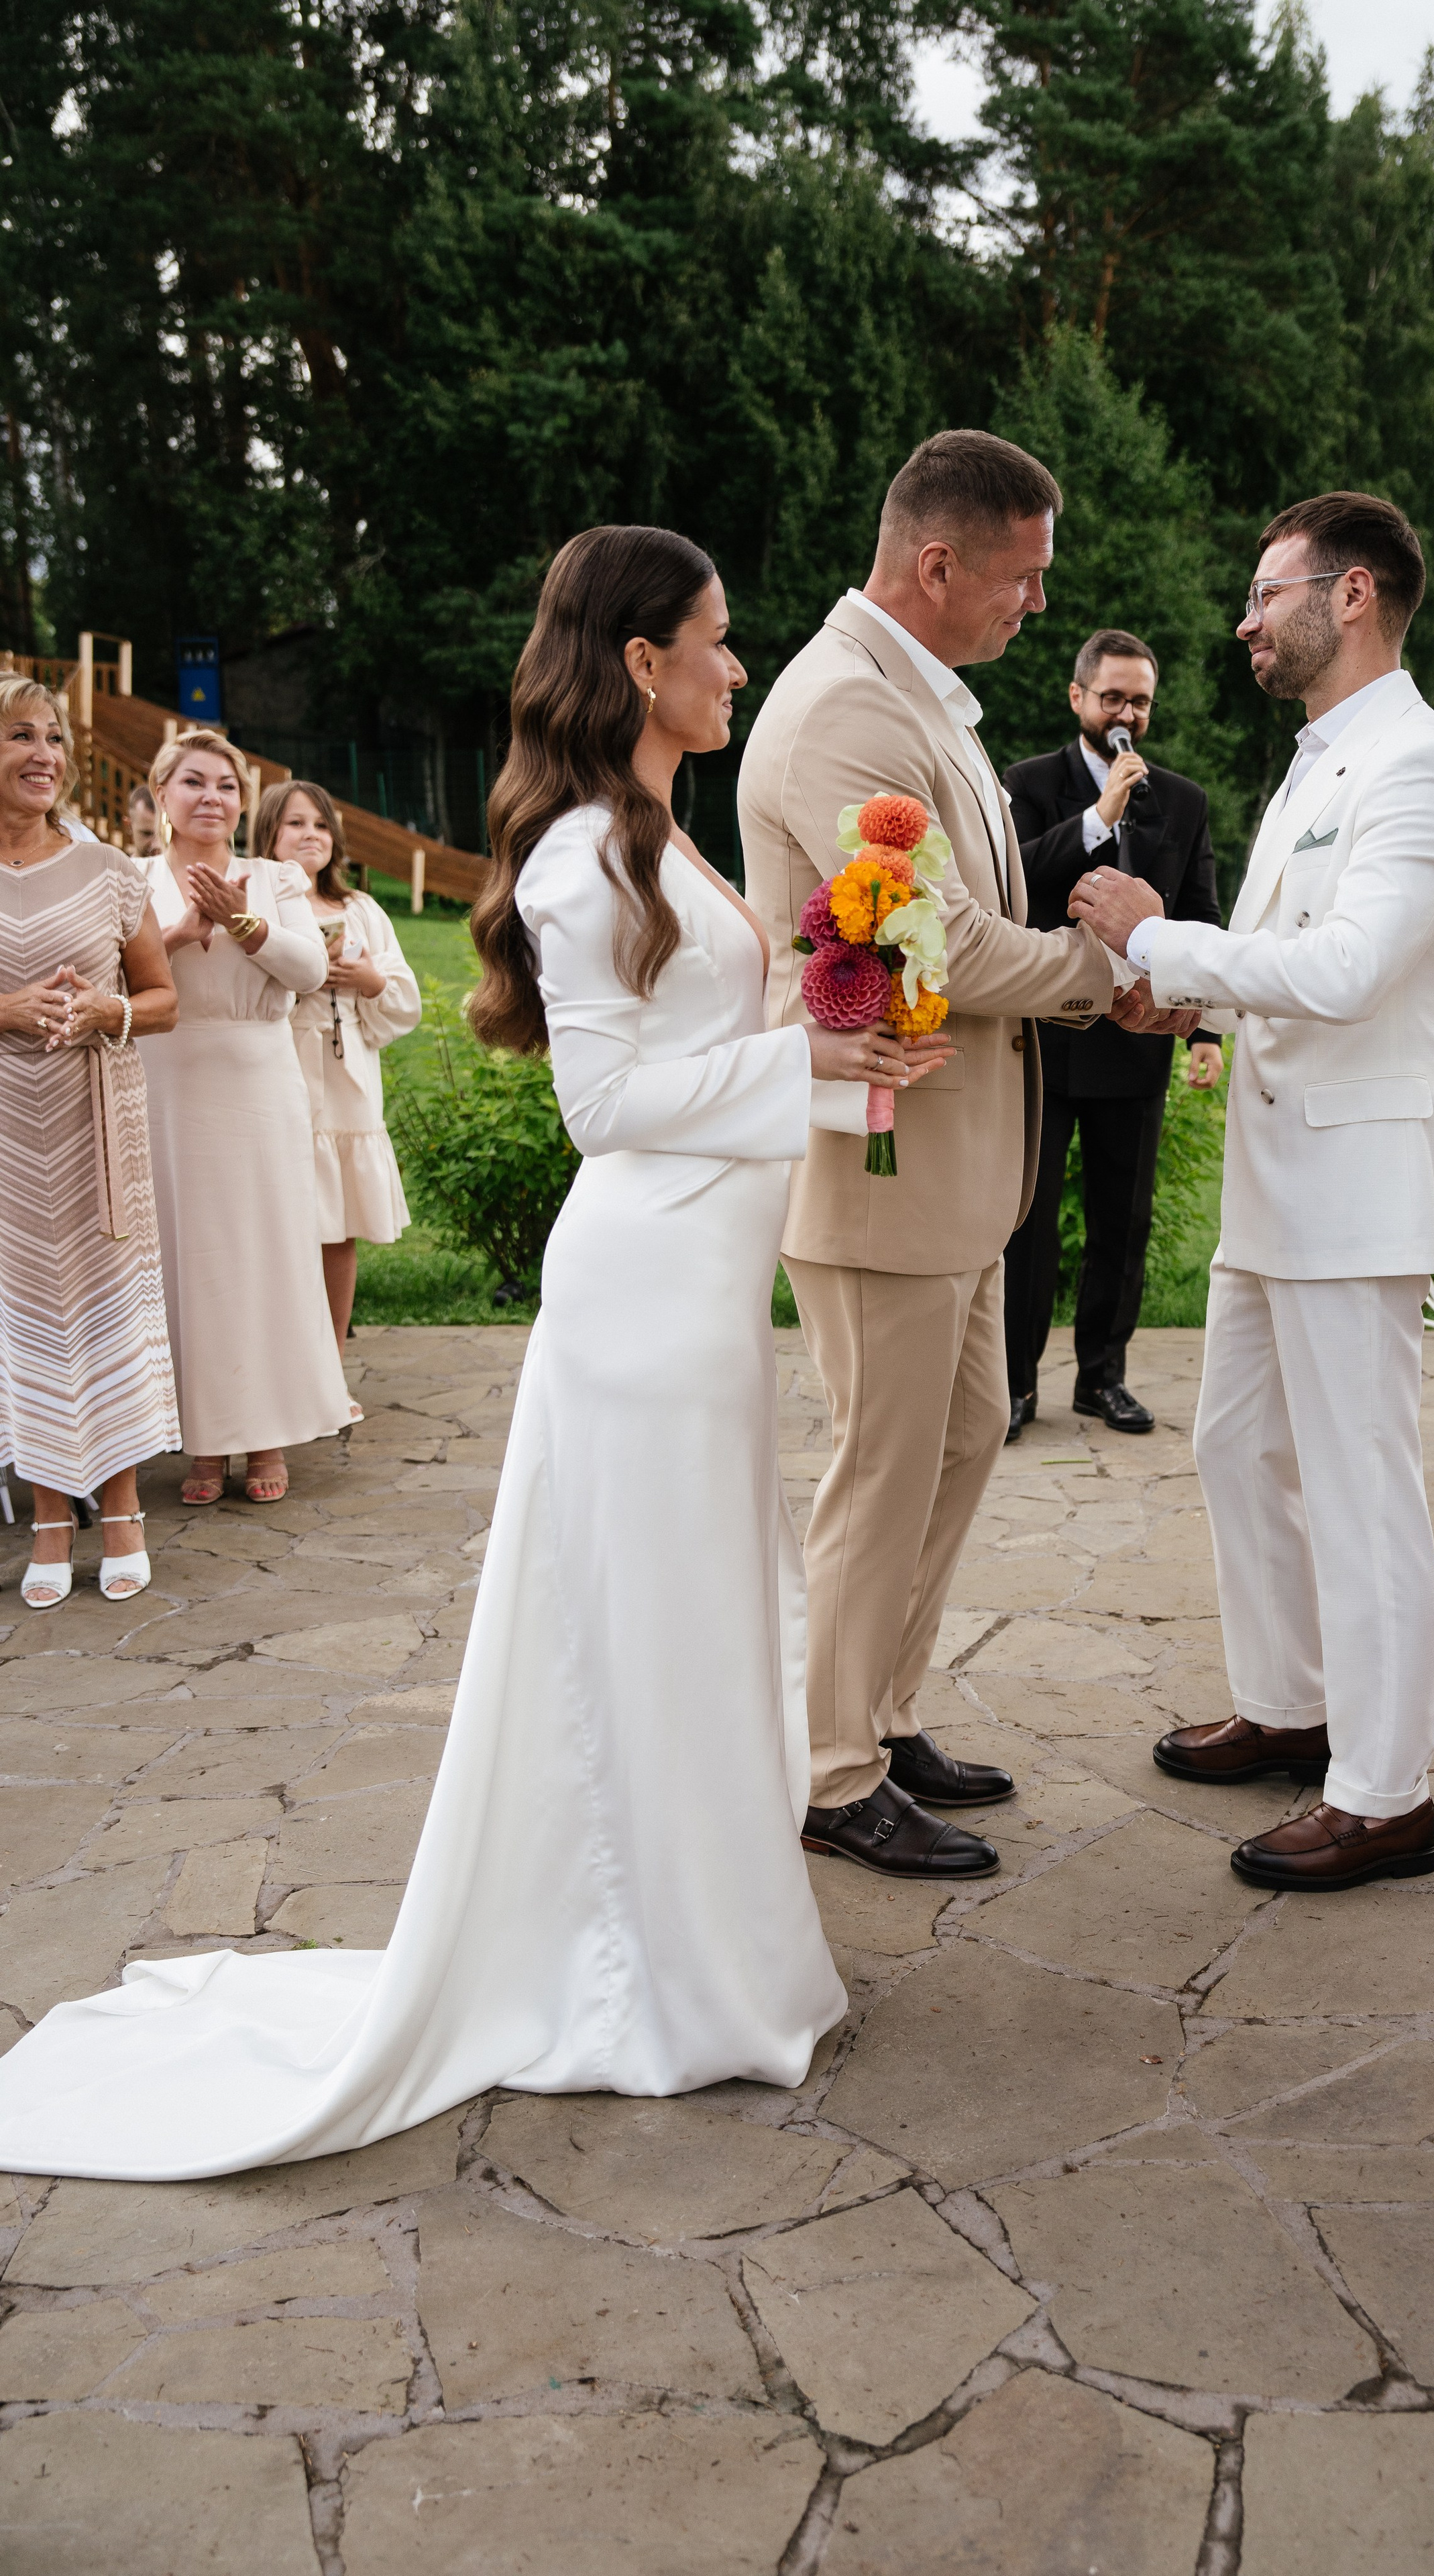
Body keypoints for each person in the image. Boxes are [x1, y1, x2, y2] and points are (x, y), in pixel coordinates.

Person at [0, 521, 938, 2180]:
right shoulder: (585, 854)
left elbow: (704, 1046)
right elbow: (607, 1108)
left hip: (699, 1295)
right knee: (651, 1628)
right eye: (715, 641)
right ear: (640, 660)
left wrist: (848, 1054)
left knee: (703, 1618)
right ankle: (658, 1976)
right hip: (640, 1301)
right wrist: (816, 1075)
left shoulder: (665, 830)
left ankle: (703, 1947)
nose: (736, 664)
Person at [741, 431, 1200, 1882]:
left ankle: (878, 1713)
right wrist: (1101, 972)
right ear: (935, 564)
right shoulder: (837, 716)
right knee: (880, 1472)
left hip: (960, 1171)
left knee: (954, 1453)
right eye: (1023, 577)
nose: (1036, 607)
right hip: (879, 1164)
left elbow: (976, 906)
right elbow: (934, 936)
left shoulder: (920, 700)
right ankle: (830, 1769)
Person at [1069, 490, 1434, 1894]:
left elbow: (1352, 972)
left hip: (1354, 1184)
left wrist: (1166, 939)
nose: (1244, 619)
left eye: (1266, 593)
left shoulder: (1420, 768)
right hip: (1277, 1179)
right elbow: (1277, 982)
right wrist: (1183, 1011)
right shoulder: (1319, 765)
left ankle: (1383, 1798)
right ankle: (1291, 1702)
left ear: (1352, 593)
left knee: (1361, 1491)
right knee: (1233, 1450)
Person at [1001, 627, 1227, 1442]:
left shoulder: (1184, 800)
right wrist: (1099, 816)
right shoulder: (1028, 784)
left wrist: (1203, 1031)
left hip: (1136, 1045)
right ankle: (1015, 1385)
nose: (1125, 713)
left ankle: (1103, 1377)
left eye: (1138, 700)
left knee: (1120, 1220)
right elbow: (1013, 888)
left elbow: (1200, 915)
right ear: (1078, 699)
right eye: (1111, 698)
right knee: (1027, 1222)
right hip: (1042, 1041)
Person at [0, 679, 180, 1607]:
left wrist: (109, 1007)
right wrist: (8, 1009)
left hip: (92, 1125)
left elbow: (164, 1000)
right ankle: (48, 1516)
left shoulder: (111, 869)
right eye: (20, 736)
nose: (44, 754)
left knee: (105, 1310)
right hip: (2, 1142)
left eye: (55, 738)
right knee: (21, 1323)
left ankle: (120, 1510)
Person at [142, 729, 351, 1506]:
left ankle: (265, 1435)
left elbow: (310, 970)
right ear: (161, 793)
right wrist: (173, 935)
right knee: (192, 1262)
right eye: (193, 782)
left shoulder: (273, 877)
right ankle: (204, 1442)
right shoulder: (132, 880)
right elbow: (112, 975)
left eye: (226, 786)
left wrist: (242, 922)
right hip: (168, 1080)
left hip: (257, 1077)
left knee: (262, 1256)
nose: (211, 798)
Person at [261, 782, 421, 1349]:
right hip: (283, 1069)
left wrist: (370, 980)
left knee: (337, 1223)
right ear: (268, 835)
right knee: (283, 1220)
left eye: (321, 825)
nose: (311, 835)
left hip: (347, 1072)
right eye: (296, 824)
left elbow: (402, 1000)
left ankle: (329, 1362)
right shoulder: (256, 905)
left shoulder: (360, 909)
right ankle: (284, 1360)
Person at [127, 782, 158, 859]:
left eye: (163, 834)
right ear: (130, 826)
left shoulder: (186, 869)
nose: (157, 844)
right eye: (147, 834)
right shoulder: (120, 870)